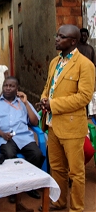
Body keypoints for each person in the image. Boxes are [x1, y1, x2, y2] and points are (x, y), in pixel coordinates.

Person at [40, 24, 95, 211]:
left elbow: (84, 97)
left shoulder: (85, 65)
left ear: (73, 41)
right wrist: (43, 99)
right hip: (53, 124)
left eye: (61, 37)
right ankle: (60, 201)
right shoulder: (54, 62)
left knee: (76, 172)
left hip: (72, 126)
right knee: (56, 167)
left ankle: (77, 208)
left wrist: (53, 105)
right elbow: (49, 87)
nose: (56, 39)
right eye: (57, 35)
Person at [0, 76, 44, 204]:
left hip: (24, 137)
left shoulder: (22, 103)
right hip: (5, 137)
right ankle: (13, 189)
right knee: (9, 155)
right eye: (5, 85)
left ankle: (29, 186)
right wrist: (2, 134)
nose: (7, 88)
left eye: (11, 86)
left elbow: (34, 122)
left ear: (17, 89)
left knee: (37, 155)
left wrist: (26, 103)